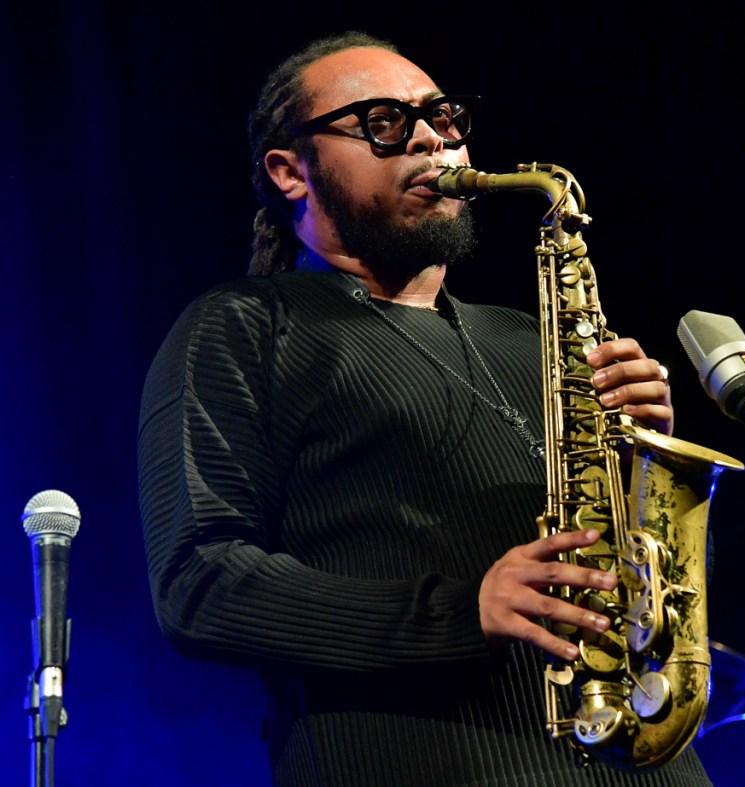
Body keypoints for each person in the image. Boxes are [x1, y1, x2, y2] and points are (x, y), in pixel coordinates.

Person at [138, 31, 712, 787]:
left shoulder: (535, 338)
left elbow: (645, 577)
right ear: (289, 171)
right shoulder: (242, 327)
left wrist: (641, 467)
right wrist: (457, 613)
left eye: (441, 117)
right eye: (381, 122)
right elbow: (198, 584)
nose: (430, 138)